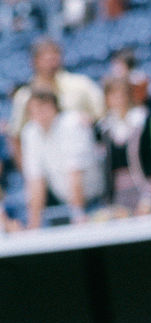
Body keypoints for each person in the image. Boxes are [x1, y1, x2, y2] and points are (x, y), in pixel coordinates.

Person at [8, 37, 105, 167]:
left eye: (55, 56)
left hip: (82, 160)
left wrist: (90, 121)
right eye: (46, 58)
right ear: (34, 61)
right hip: (46, 167)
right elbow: (16, 136)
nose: (51, 62)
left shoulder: (81, 84)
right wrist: (27, 171)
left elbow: (103, 114)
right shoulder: (24, 96)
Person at [20, 89, 105, 229]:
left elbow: (75, 173)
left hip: (95, 202)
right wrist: (33, 224)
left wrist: (78, 214)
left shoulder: (72, 124)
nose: (39, 113)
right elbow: (35, 180)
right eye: (34, 110)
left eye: (43, 107)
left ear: (54, 107)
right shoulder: (30, 132)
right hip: (66, 205)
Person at [96, 76, 151, 216]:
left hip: (145, 191)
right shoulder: (104, 128)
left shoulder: (143, 121)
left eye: (122, 94)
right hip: (119, 197)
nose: (118, 99)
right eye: (112, 94)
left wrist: (149, 196)